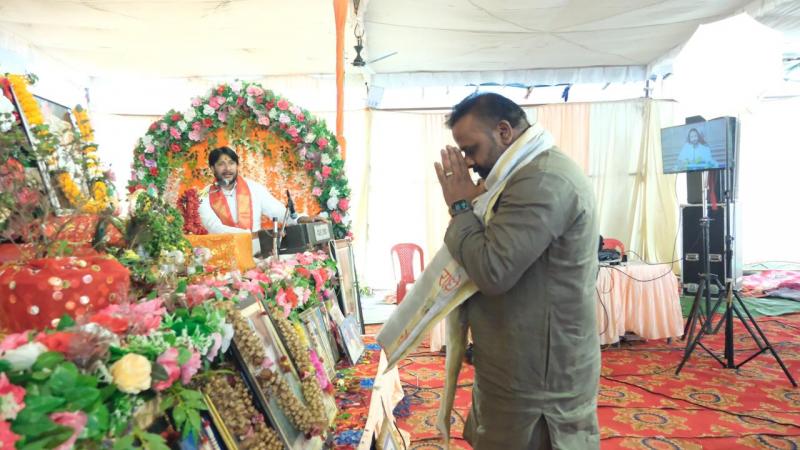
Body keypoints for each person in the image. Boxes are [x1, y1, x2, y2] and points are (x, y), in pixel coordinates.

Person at [434, 93, 600, 449]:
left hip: (538, 378)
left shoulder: (541, 181)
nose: (468, 162)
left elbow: (493, 270)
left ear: (504, 132)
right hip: (518, 359)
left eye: (472, 149)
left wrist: (462, 207)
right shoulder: (522, 174)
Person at [198, 146, 324, 254]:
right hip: (223, 254)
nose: (227, 169)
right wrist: (254, 235)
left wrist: (302, 219)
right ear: (212, 168)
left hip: (256, 253)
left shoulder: (254, 188)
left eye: (231, 163)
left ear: (237, 166)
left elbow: (280, 213)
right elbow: (213, 226)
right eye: (221, 164)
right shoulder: (203, 195)